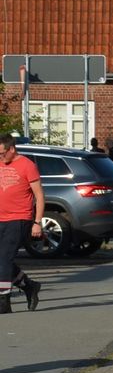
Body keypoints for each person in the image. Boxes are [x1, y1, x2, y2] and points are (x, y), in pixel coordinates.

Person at [0, 134, 44, 313]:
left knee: (4, 259)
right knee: (1, 260)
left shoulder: (27, 165)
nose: (0, 157)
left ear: (11, 149)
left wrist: (37, 222)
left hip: (19, 218)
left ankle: (3, 301)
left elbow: (39, 196)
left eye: (2, 153)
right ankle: (28, 286)